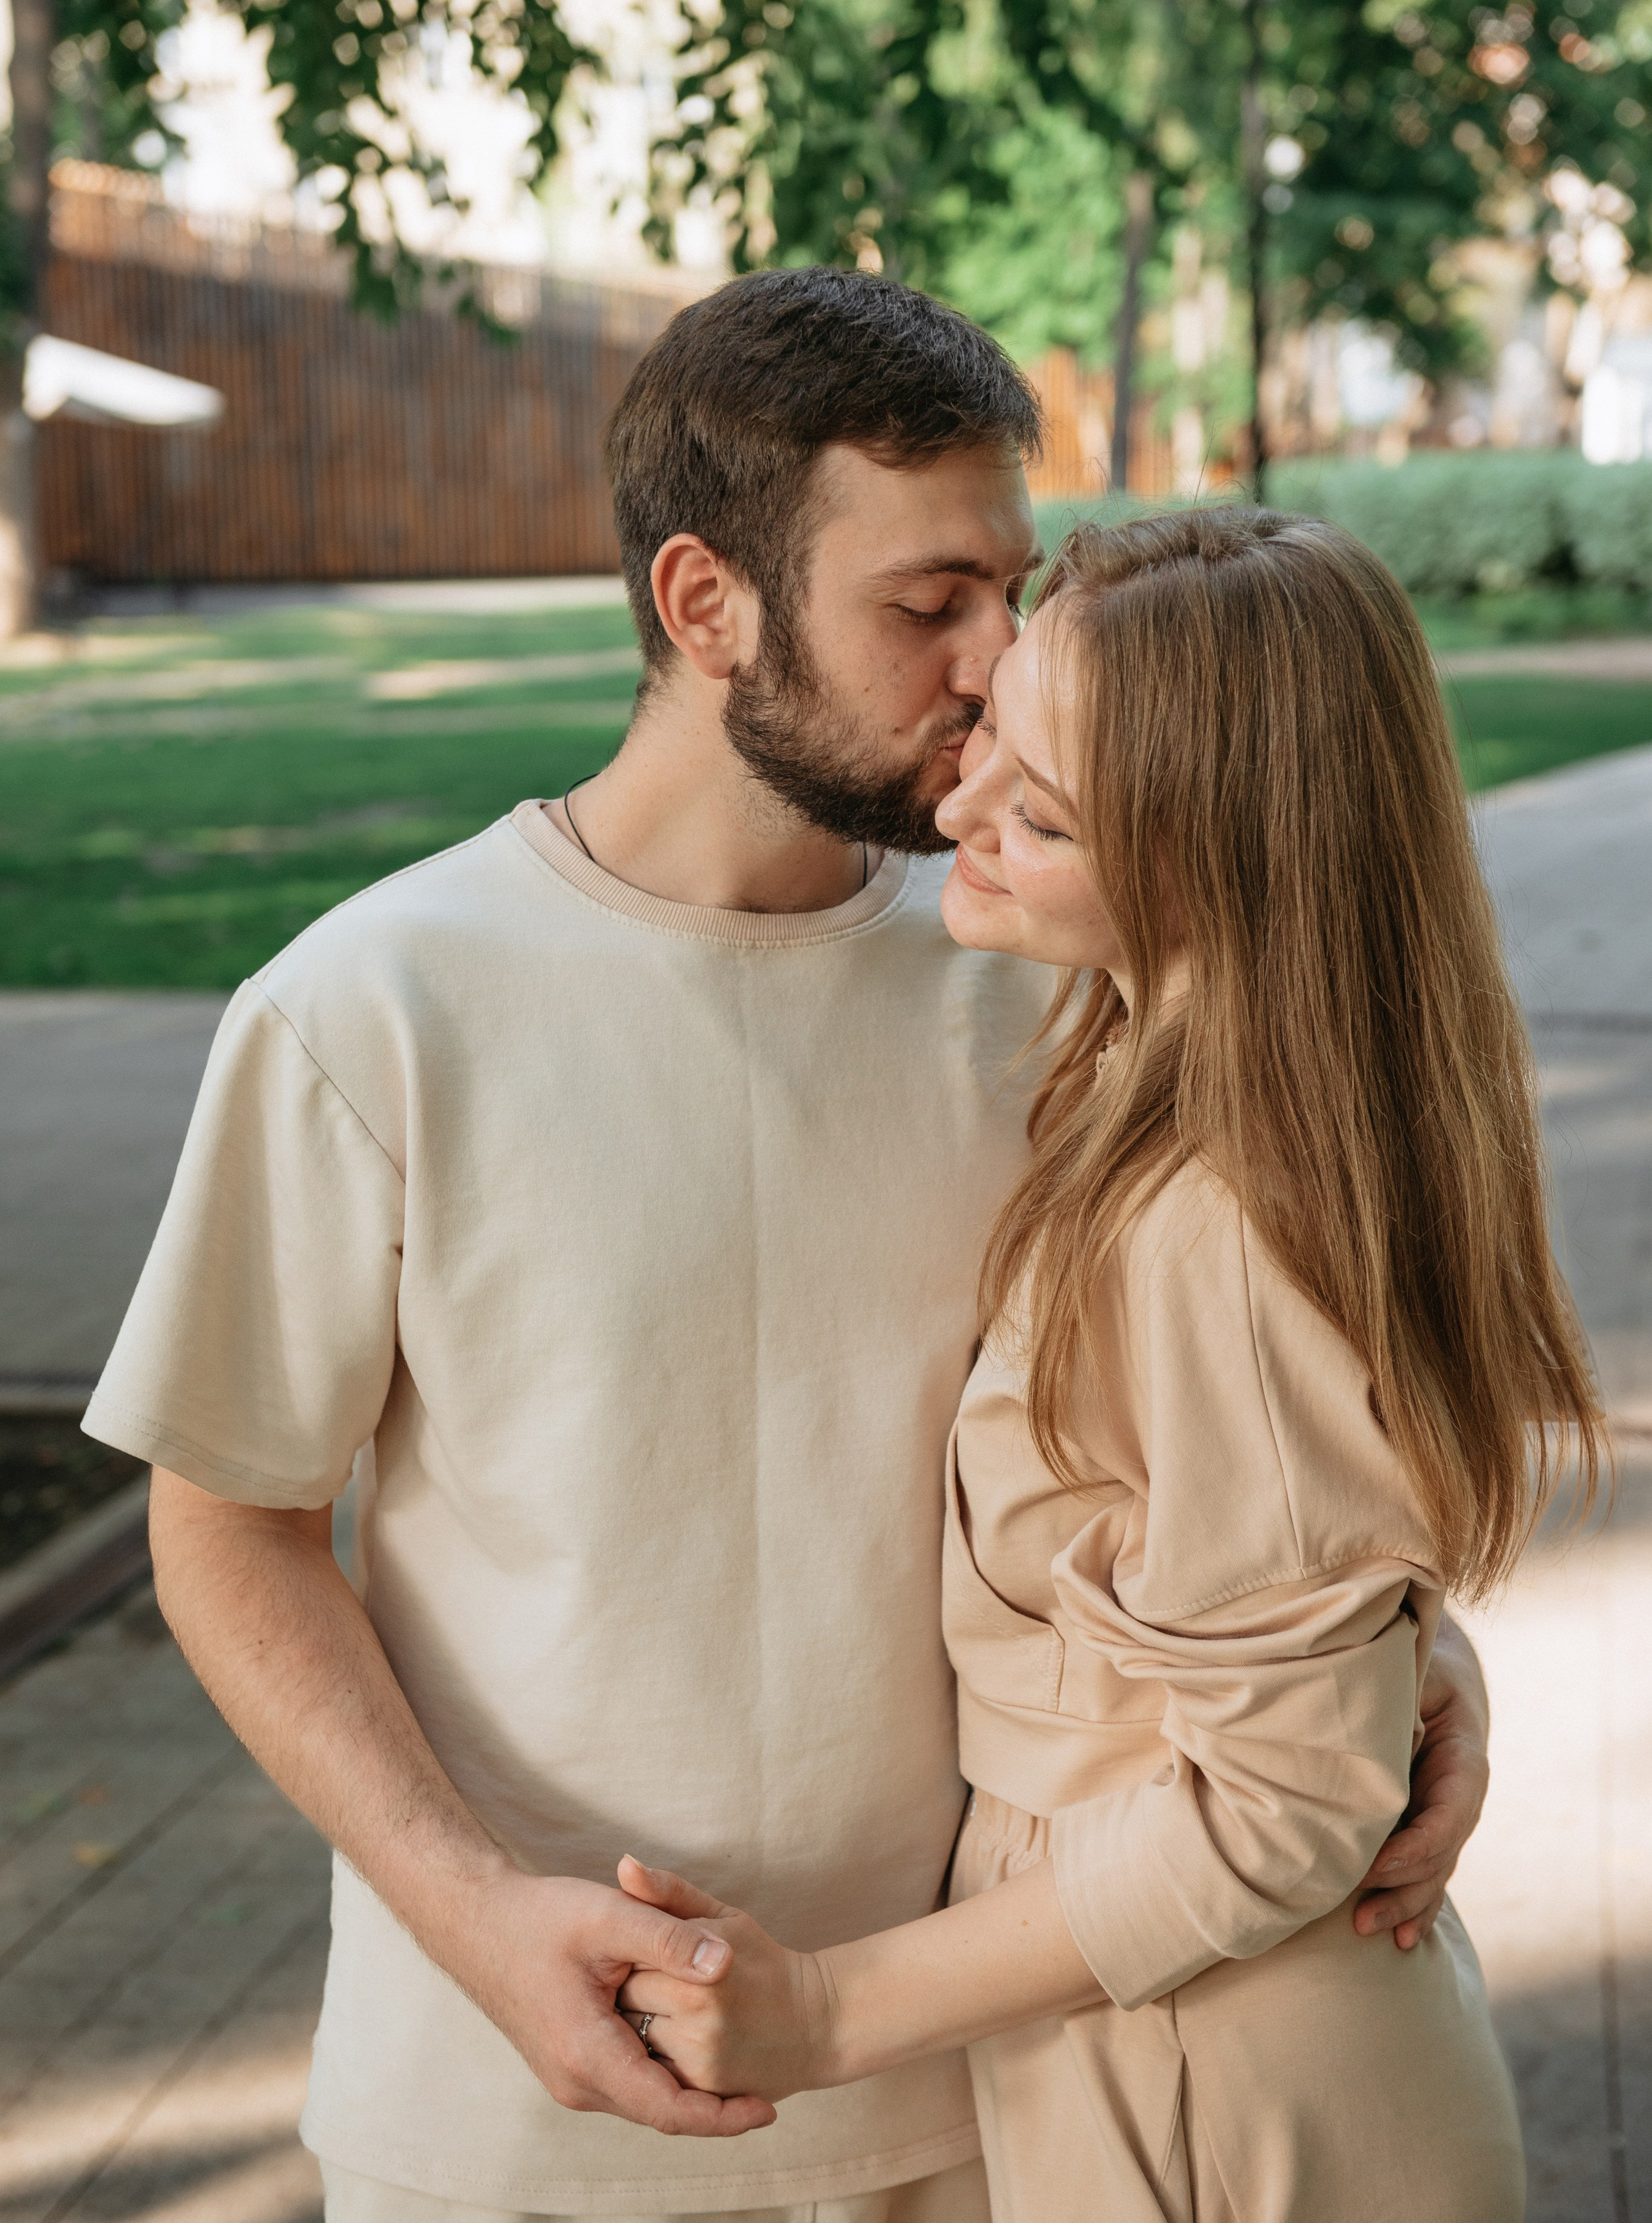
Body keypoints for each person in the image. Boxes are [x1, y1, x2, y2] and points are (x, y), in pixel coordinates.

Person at [85, 283, 1491, 2223]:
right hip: (512, 2107)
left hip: (980, 2093)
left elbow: (1225, 1426)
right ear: (705, 601)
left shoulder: (1040, 973)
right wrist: (476, 1914)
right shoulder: (371, 1008)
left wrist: (1387, 1656)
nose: (998, 665)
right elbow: (226, 1520)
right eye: (931, 606)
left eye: (1015, 587)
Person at [607, 508, 1608, 2222]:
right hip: (1181, 2019)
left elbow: (1277, 1806)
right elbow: (1280, 1565)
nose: (963, 810)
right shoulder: (1209, 1099)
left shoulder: (1215, 1216)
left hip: (1213, 2062)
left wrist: (825, 2011)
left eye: (1048, 816)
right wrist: (1408, 1670)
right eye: (1000, 725)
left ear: (1228, 862)